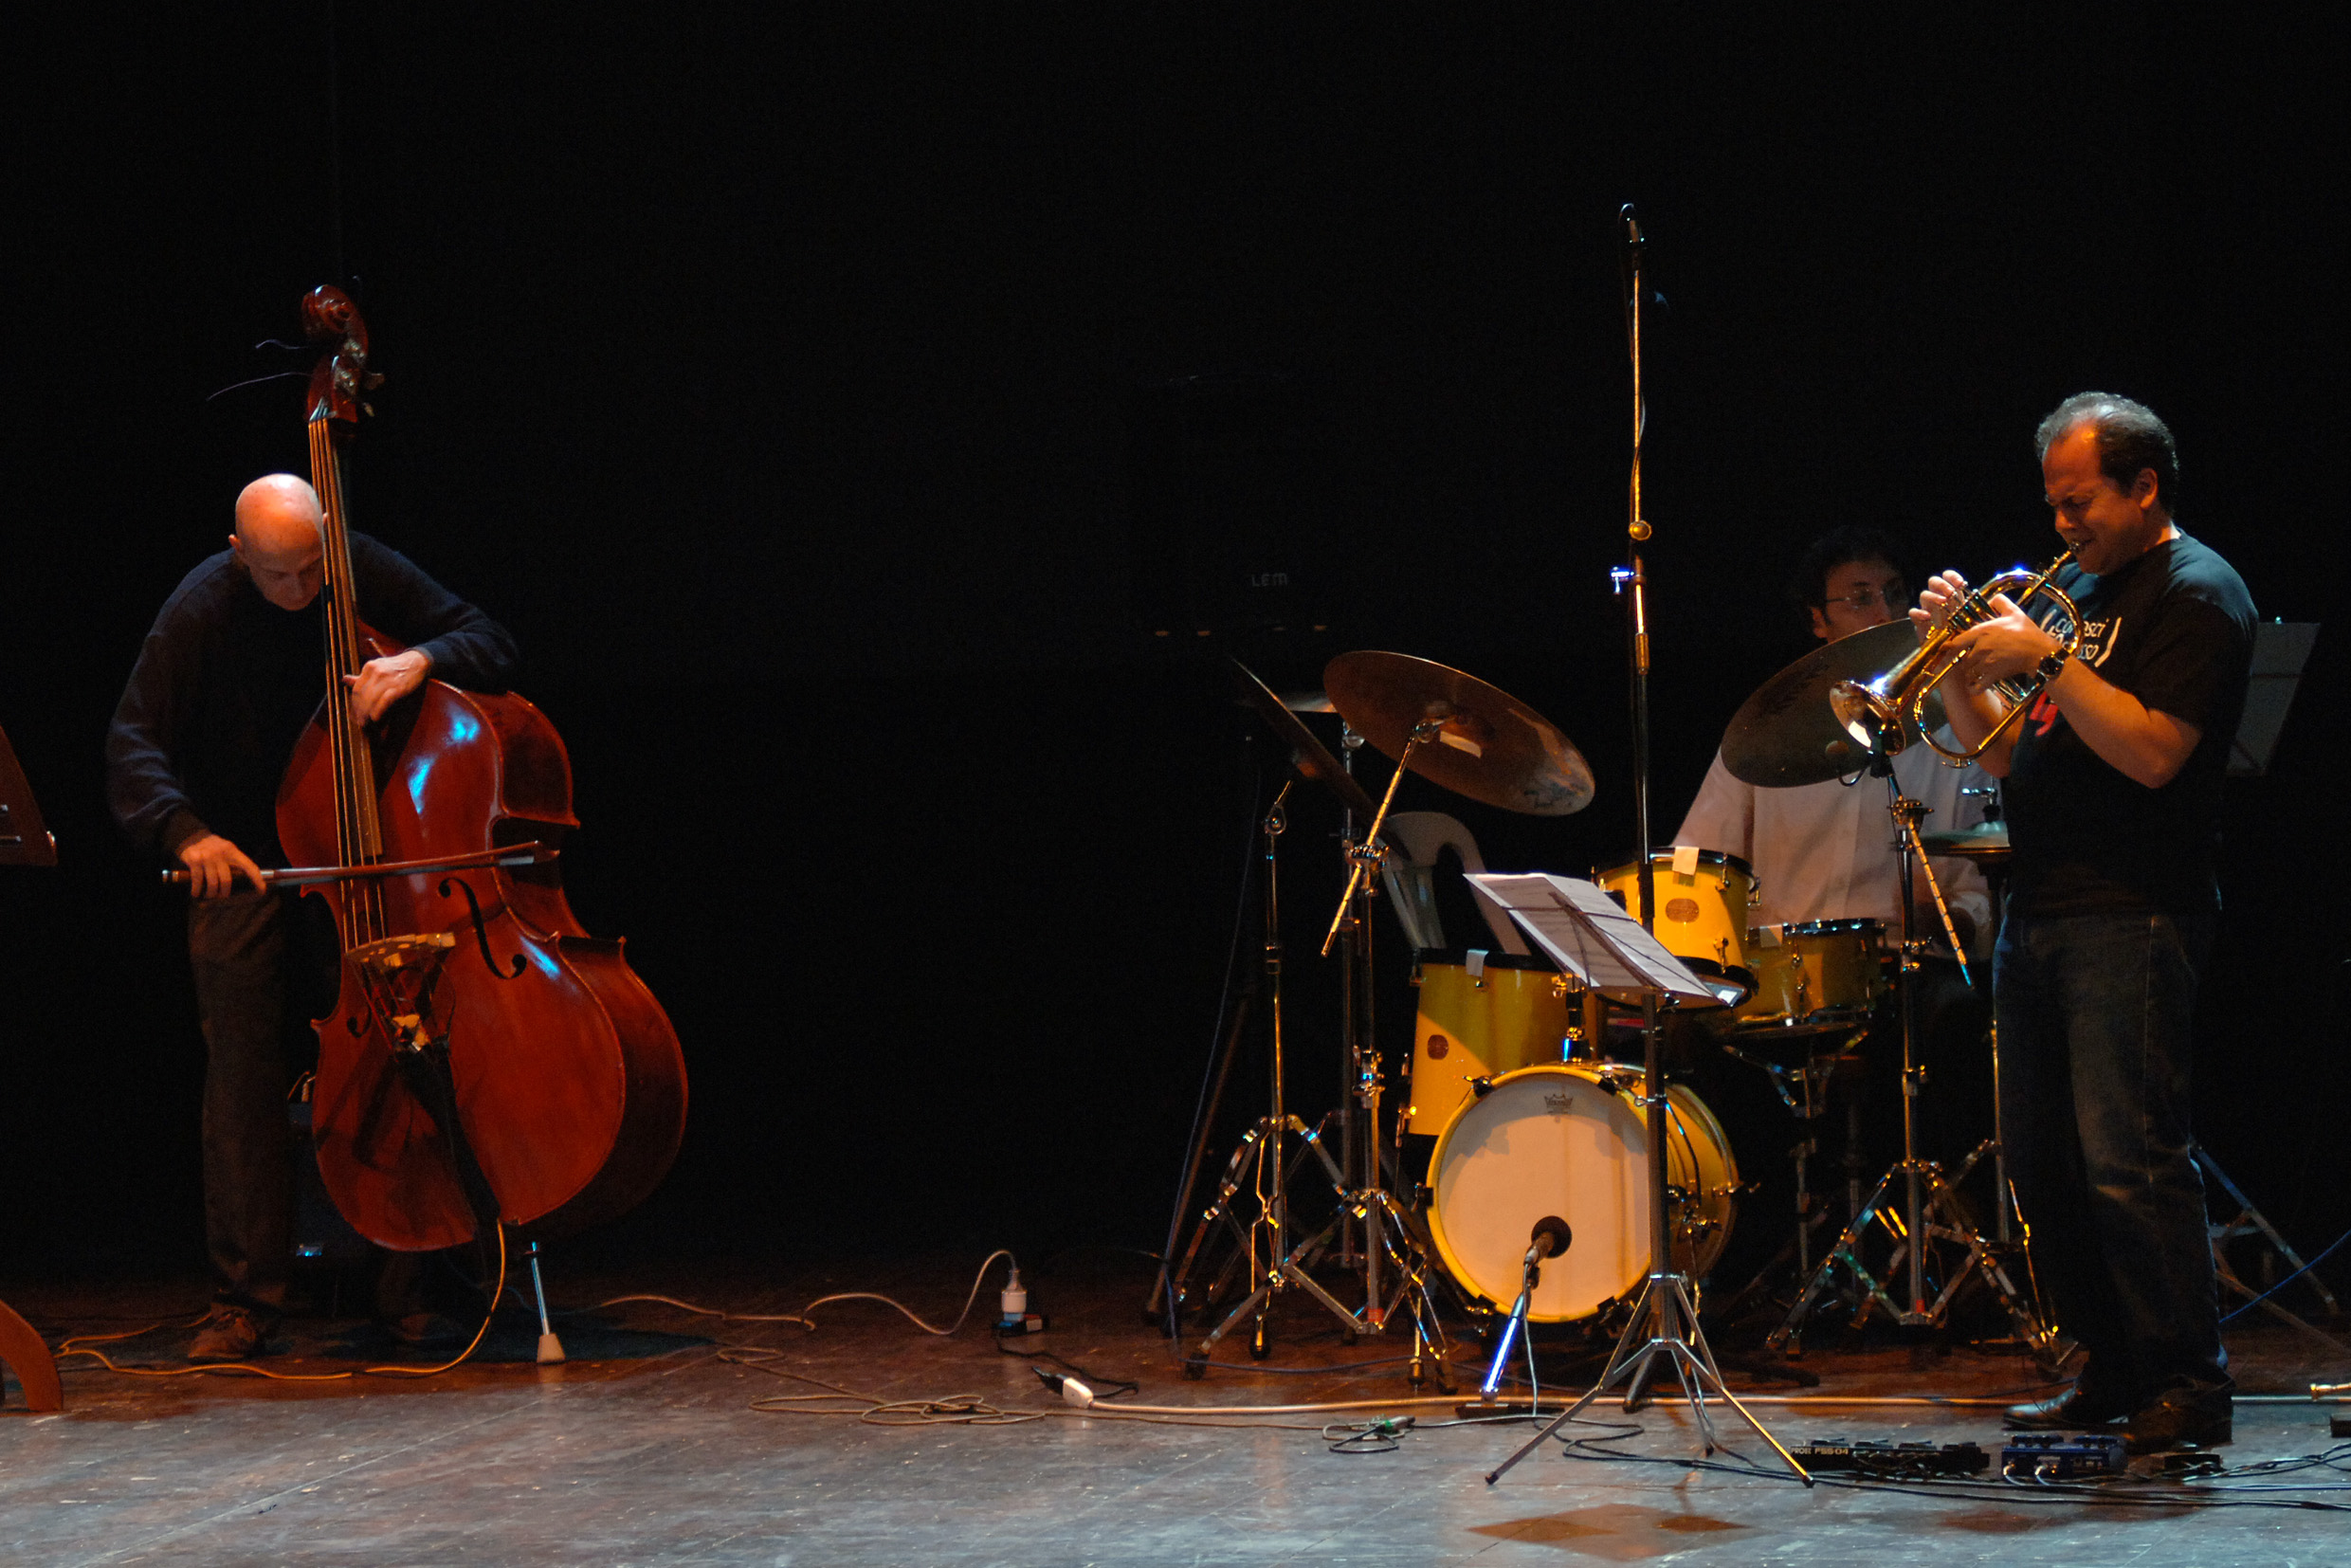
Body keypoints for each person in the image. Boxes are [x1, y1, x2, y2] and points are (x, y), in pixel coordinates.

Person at [106, 474, 519, 1362]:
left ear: (328, 534)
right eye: (278, 575)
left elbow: (489, 639)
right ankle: (245, 1302)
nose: (301, 590)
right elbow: (132, 741)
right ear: (238, 556)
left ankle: (408, 1288)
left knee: (397, 1057)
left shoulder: (355, 565)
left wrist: (421, 660)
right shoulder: (202, 606)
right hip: (250, 861)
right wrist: (186, 833)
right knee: (242, 1081)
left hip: (364, 861)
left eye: (311, 568)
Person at [1923, 392, 2252, 1453]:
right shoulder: (2072, 594)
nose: (2062, 525)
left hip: (2133, 911)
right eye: (2053, 505)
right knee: (2045, 1165)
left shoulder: (2196, 592)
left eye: (2080, 503)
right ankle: (2110, 1368)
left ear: (2143, 486)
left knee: (2129, 1162)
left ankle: (2186, 1384)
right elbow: (2000, 751)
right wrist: (1953, 661)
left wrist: (2045, 659)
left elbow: (2154, 753)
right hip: (2041, 907)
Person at [1675, 526, 1993, 948]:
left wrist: (1945, 920)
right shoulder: (1767, 732)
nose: (1885, 614)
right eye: (1861, 599)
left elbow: (1990, 885)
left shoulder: (1954, 731)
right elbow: (1695, 862)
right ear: (1817, 620)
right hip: (1784, 967)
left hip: (1914, 964)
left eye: (1895, 594)